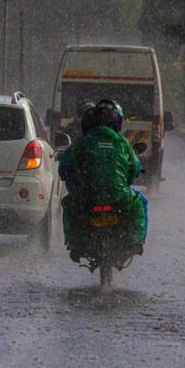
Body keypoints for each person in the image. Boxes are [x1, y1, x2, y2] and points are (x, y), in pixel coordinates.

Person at [58, 99, 148, 263]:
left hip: (87, 196)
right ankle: (136, 241)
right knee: (140, 203)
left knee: (69, 205)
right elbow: (135, 168)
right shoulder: (122, 142)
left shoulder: (83, 142)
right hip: (119, 195)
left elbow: (64, 167)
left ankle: (74, 244)